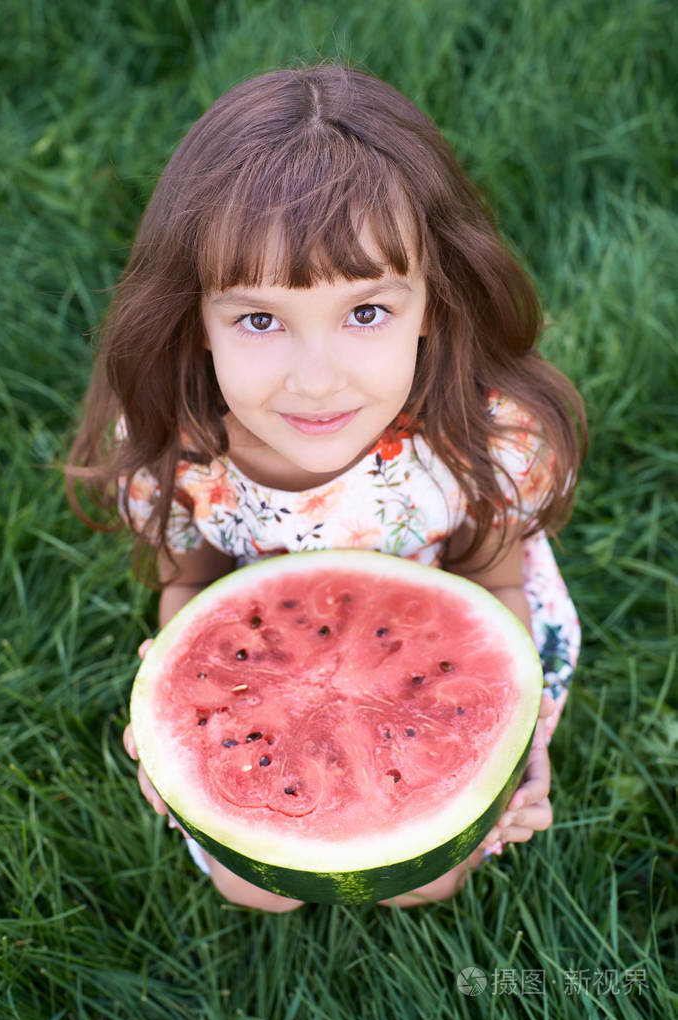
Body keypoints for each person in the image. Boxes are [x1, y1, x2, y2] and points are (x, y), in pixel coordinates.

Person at [67, 64, 586, 911]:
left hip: (439, 645)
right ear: (196, 318)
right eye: (261, 319)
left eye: (367, 313)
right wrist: (186, 720)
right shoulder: (182, 453)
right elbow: (188, 585)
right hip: (274, 656)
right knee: (251, 884)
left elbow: (493, 583)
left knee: (432, 877)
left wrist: (507, 738)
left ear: (433, 302)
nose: (317, 380)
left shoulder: (479, 446)